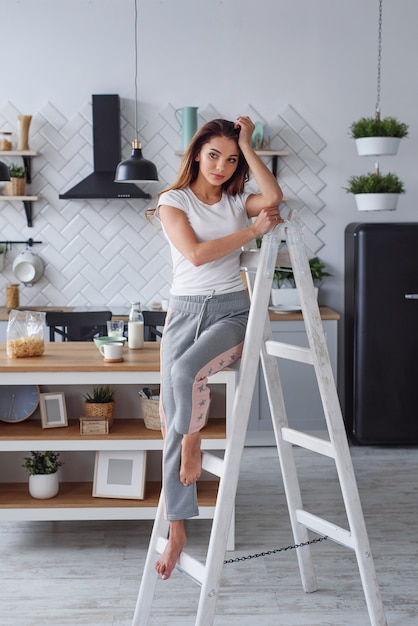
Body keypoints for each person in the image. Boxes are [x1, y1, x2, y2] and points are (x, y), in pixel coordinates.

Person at [154, 116, 283, 580]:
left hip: (231, 312)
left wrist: (248, 145)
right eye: (214, 155)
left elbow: (271, 199)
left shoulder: (234, 200)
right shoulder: (172, 202)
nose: (222, 167)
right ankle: (178, 531)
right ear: (195, 154)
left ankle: (195, 441)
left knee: (186, 374)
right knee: (170, 420)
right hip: (183, 313)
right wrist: (253, 232)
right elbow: (196, 254)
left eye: (231, 160)